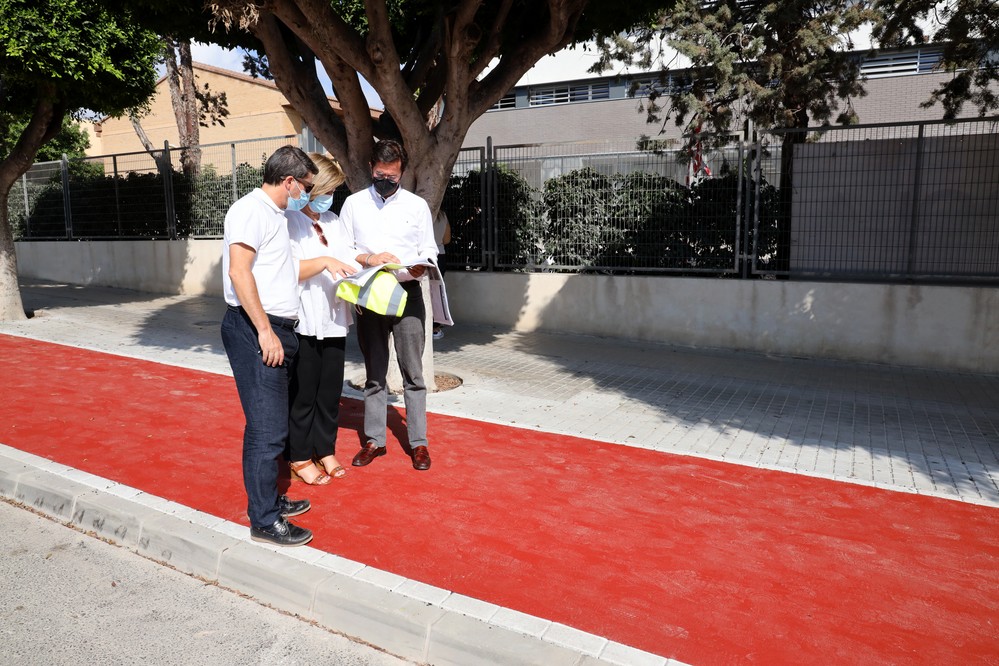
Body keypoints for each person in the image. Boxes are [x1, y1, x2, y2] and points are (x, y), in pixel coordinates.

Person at [220, 145, 352, 547]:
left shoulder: (276, 215)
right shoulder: (250, 211)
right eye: (306, 186)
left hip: (280, 328)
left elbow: (282, 270)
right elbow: (239, 272)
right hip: (256, 329)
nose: (308, 195)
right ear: (290, 180)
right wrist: (264, 330)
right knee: (268, 431)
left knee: (270, 426)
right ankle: (264, 519)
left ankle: (270, 500)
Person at [341, 139, 438, 471]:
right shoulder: (353, 205)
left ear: (402, 173)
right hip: (371, 294)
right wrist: (370, 258)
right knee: (374, 373)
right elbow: (344, 249)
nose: (386, 181)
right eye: (380, 174)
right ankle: (374, 440)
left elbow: (429, 248)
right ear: (371, 168)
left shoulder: (416, 206)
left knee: (414, 372)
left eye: (393, 177)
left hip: (408, 294)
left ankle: (419, 443)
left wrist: (421, 265)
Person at [286, 153, 358, 485]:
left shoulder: (332, 220)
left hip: (333, 316)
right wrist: (326, 261)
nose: (330, 198)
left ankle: (325, 449)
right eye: (327, 190)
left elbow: (347, 257)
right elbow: (290, 270)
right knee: (304, 392)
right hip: (304, 318)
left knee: (330, 391)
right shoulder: (288, 221)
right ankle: (299, 456)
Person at [431, 210, 451, 340]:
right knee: (436, 290)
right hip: (439, 254)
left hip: (421, 255)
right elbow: (447, 239)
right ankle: (435, 327)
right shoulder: (442, 215)